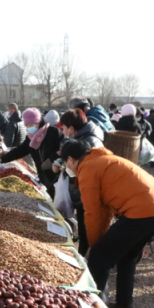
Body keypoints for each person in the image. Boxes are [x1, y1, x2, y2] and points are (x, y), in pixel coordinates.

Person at [60, 138, 154, 308]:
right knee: (127, 256)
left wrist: (94, 247)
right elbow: (106, 211)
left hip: (142, 211)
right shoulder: (103, 160)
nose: (67, 167)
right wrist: (97, 241)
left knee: (99, 259)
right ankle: (124, 304)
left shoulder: (87, 168)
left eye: (66, 162)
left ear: (71, 160)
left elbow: (92, 213)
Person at [52, 109, 105, 255]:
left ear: (72, 128)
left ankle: (87, 258)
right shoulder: (81, 137)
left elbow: (85, 169)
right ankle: (85, 254)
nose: (63, 131)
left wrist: (63, 167)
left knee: (87, 228)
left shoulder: (90, 141)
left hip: (88, 191)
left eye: (64, 128)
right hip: (81, 189)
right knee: (83, 227)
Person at [0, 108, 63, 193]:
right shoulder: (30, 137)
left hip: (56, 175)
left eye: (31, 124)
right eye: (27, 126)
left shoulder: (53, 131)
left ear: (38, 122)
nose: (29, 128)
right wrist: (2, 159)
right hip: (43, 175)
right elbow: (20, 150)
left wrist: (51, 160)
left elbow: (63, 149)